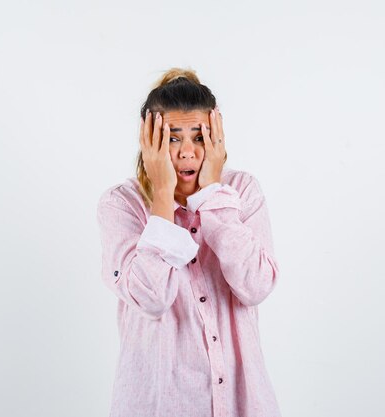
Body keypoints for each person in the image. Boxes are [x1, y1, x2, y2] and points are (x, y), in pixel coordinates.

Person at [96, 68, 281, 417]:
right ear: (148, 142)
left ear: (217, 138)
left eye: (199, 137)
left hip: (245, 404)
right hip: (158, 404)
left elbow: (255, 286)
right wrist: (163, 196)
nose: (186, 153)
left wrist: (213, 198)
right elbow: (149, 299)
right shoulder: (121, 205)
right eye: (172, 138)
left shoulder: (241, 193)